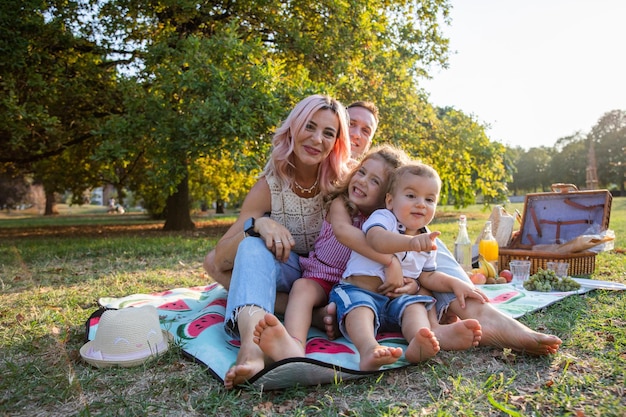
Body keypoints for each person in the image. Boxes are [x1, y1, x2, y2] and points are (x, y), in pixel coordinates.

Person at [208, 94, 352, 389]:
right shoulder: (269, 185)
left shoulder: (343, 184)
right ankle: (252, 348)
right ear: (293, 128)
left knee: (245, 270)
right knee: (250, 243)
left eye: (328, 132)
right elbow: (218, 259)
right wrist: (259, 225)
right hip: (287, 273)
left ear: (337, 142)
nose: (317, 139)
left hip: (328, 282)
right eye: (309, 127)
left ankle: (305, 315)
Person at [252, 145, 410, 361]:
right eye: (362, 172)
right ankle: (293, 345)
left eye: (375, 181)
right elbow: (345, 233)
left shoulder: (386, 221)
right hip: (321, 276)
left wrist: (411, 282)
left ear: (388, 197)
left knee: (368, 306)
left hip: (354, 287)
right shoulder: (341, 204)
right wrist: (390, 262)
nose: (363, 181)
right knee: (302, 288)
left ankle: (350, 330)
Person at [329, 162, 488, 370]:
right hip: (359, 291)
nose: (421, 204)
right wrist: (410, 243)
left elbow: (428, 277)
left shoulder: (425, 237)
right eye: (411, 196)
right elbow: (376, 239)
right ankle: (369, 349)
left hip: (396, 301)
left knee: (415, 306)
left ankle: (420, 340)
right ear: (390, 201)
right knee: (360, 308)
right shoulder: (384, 218)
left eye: (429, 199)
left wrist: (454, 283)